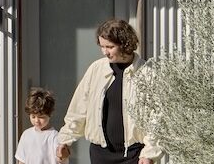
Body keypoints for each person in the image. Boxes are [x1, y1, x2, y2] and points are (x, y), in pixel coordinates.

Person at [55, 19, 162, 164]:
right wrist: (65, 140)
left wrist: (149, 153)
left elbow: (158, 119)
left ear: (125, 44)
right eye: (102, 46)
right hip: (100, 155)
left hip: (135, 156)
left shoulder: (147, 74)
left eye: (110, 47)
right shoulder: (96, 69)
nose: (105, 52)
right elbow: (79, 108)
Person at [16, 87, 67, 164]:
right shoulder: (26, 135)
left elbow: (62, 159)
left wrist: (62, 156)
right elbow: (21, 160)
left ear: (50, 115)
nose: (36, 120)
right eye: (33, 116)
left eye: (41, 117)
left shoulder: (54, 137)